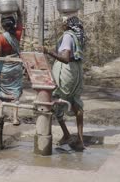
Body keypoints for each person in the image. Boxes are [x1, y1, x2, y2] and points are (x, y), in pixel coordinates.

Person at [43, 16, 85, 151]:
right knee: (75, 101)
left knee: (56, 99)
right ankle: (80, 139)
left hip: (66, 72)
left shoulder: (67, 36)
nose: (61, 25)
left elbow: (65, 58)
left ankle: (67, 134)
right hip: (76, 71)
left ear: (67, 25)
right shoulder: (77, 35)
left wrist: (48, 51)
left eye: (63, 23)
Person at [0, 8, 23, 126]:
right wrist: (17, 10)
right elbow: (21, 20)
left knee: (0, 90)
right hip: (16, 67)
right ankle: (15, 118)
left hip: (4, 68)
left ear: (2, 25)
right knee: (15, 91)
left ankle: (0, 113)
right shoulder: (18, 34)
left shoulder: (1, 38)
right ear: (13, 23)